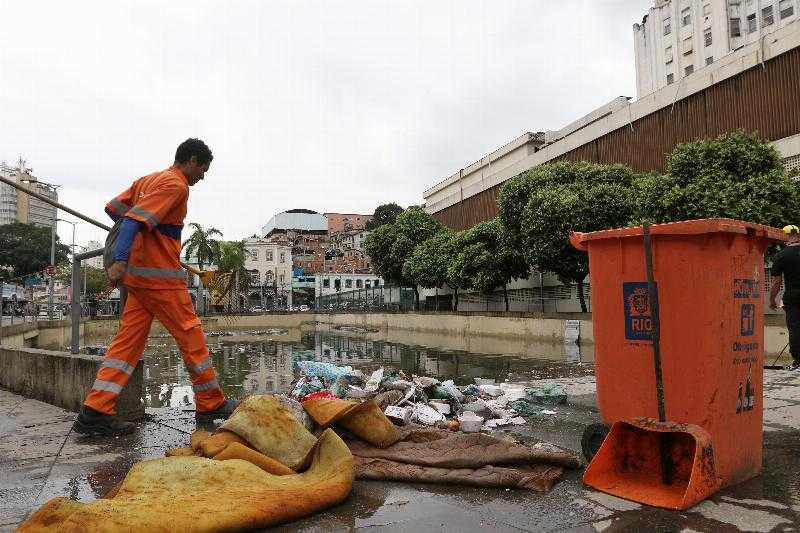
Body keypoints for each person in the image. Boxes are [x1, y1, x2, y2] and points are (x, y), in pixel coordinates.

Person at [74, 139, 237, 436]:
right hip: (159, 278)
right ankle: (210, 402)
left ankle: (95, 411)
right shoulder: (175, 185)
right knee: (190, 332)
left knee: (127, 344)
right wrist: (123, 255)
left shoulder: (148, 180)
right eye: (203, 168)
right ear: (190, 160)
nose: (203, 176)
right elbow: (134, 219)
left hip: (139, 281)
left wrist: (148, 232)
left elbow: (115, 209)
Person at [769, 224, 800, 371]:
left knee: (794, 327)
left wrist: (772, 299)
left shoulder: (781, 256)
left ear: (785, 236)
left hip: (793, 297)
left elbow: (777, 282)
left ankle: (797, 360)